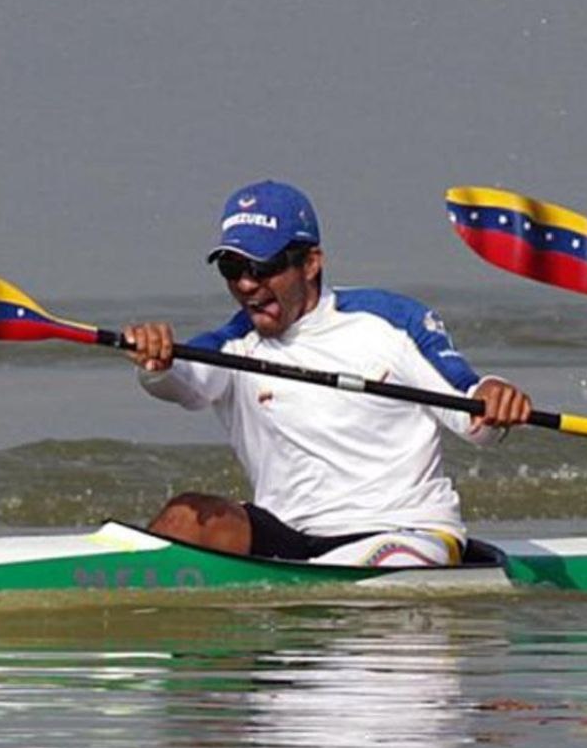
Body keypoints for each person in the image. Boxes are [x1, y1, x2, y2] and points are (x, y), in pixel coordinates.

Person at [124, 179, 532, 567]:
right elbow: (183, 380)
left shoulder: (392, 322)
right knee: (185, 517)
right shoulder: (233, 344)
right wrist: (157, 364)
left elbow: (475, 418)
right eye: (233, 267)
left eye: (264, 266)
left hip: (405, 534)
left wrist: (496, 396)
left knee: (377, 573)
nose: (247, 284)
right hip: (293, 538)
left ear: (311, 263)